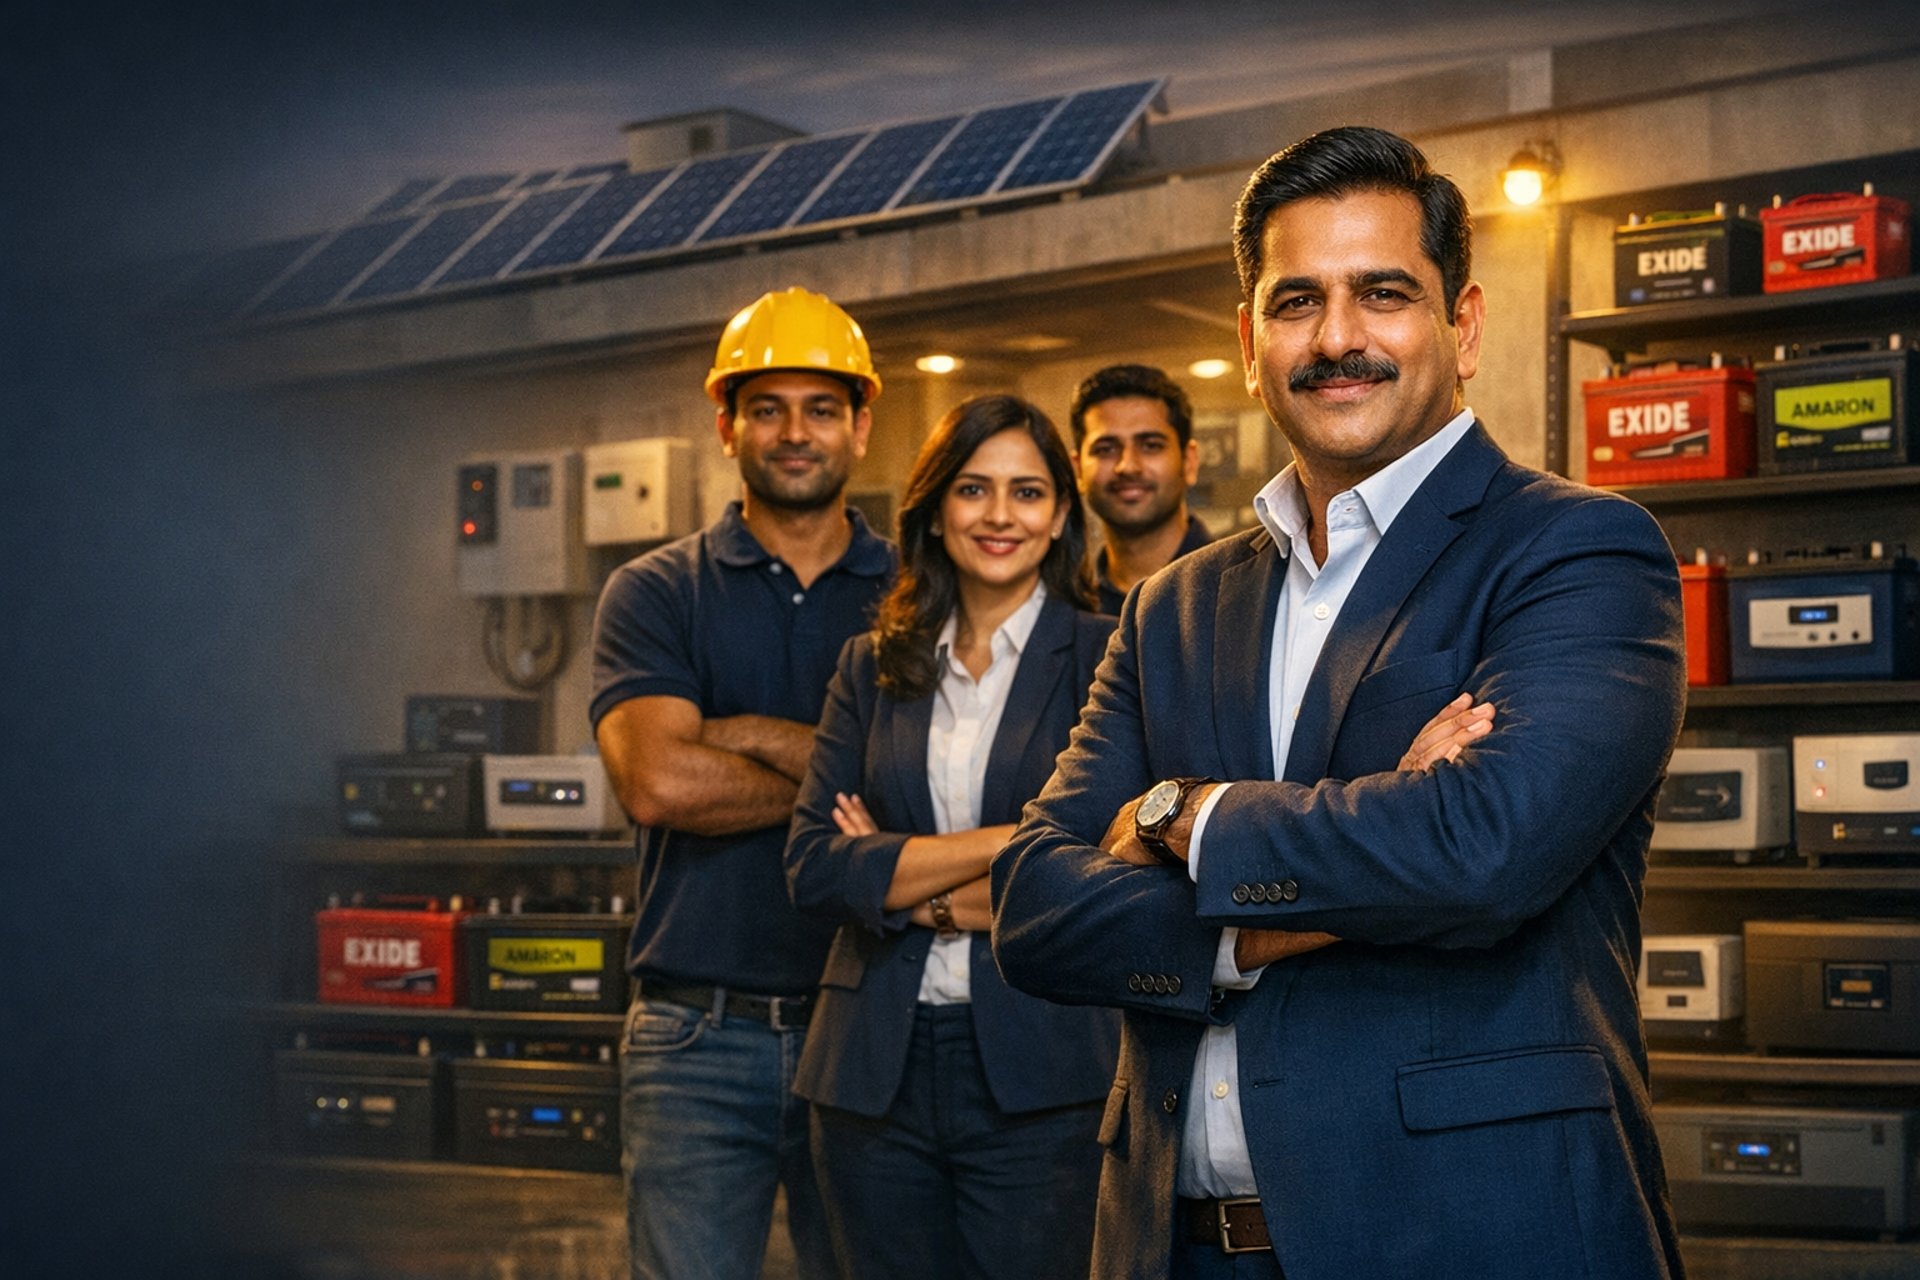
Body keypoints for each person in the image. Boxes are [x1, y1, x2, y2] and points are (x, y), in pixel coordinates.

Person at [990, 126, 1688, 1280]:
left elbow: (1486, 849)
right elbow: (1036, 905)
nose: (1338, 338)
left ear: (1462, 325)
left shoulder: (1576, 551)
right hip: (1177, 1246)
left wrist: (1182, 822)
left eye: (1383, 293)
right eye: (1297, 300)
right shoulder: (1172, 606)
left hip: (1472, 1237)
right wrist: (1358, 848)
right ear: (1251, 339)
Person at [590, 286, 897, 1280]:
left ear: (861, 422)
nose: (794, 432)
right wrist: (836, 775)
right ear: (726, 424)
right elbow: (658, 782)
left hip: (867, 1025)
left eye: (820, 407)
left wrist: (737, 734)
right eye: (767, 407)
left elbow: (925, 798)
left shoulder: (915, 592)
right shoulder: (655, 589)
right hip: (693, 1038)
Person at [782, 395, 1118, 1280]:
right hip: (867, 1075)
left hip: (1044, 1075)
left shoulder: (1107, 654)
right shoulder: (874, 663)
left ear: (1059, 519)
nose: (1000, 515)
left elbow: (1106, 871)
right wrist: (1022, 837)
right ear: (935, 510)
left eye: (1028, 492)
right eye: (974, 489)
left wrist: (899, 879)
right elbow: (817, 867)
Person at [1070, 363, 1212, 615]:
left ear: (1189, 461)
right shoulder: (1074, 613)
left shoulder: (1241, 589)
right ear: (1078, 469)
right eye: (1106, 449)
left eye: (1150, 446)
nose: (1127, 466)